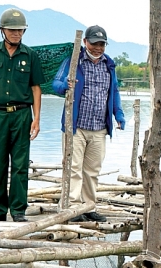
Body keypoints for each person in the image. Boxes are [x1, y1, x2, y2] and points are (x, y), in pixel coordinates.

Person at [0, 8, 43, 223]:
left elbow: (36, 89)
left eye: (20, 30)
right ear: (2, 30)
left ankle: (18, 210)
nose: (16, 33)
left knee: (20, 164)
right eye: (12, 30)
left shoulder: (30, 55)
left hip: (22, 115)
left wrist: (36, 118)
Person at [52, 25, 125, 223]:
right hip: (75, 127)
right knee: (73, 168)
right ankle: (73, 207)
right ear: (85, 42)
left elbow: (114, 91)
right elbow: (55, 83)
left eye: (102, 44)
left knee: (92, 170)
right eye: (94, 44)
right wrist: (65, 85)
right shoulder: (73, 61)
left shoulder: (109, 65)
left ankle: (89, 206)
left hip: (99, 127)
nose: (98, 48)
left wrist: (118, 114)